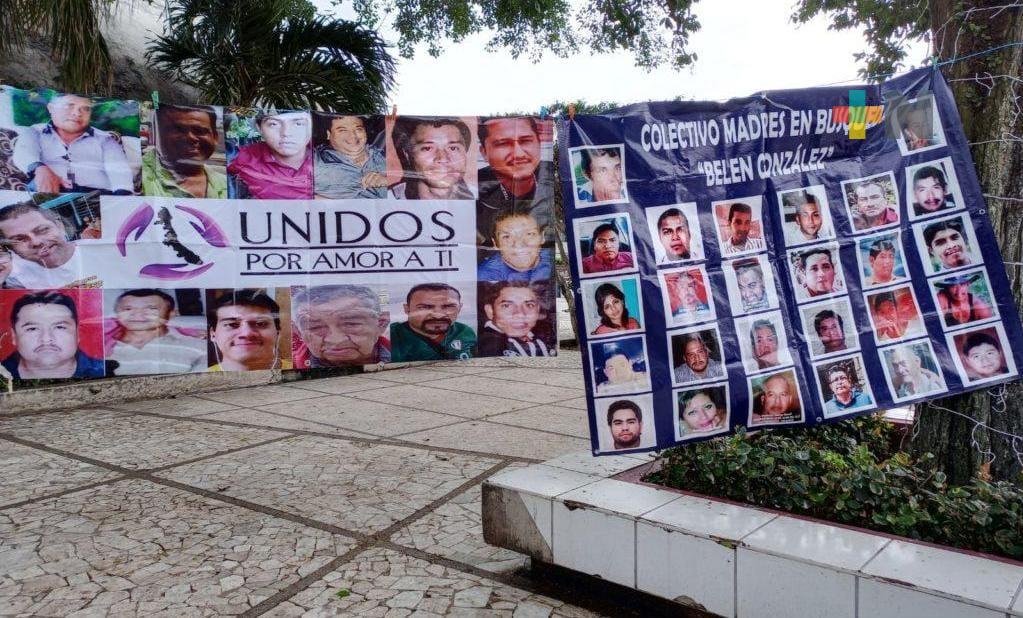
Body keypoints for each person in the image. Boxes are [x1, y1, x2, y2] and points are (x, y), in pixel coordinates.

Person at [12, 93, 134, 195]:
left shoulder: (105, 139)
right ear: (51, 108)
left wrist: (120, 199)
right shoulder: (35, 131)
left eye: (85, 109)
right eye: (69, 106)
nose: (77, 113)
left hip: (96, 197)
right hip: (52, 193)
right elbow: (24, 153)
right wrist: (39, 168)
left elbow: (119, 171)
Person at [476, 117, 554, 246]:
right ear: (484, 152)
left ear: (539, 144)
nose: (519, 154)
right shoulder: (469, 189)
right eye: (503, 143)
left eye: (526, 141)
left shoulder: (552, 177)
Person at [1, 291, 103, 379]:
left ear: (78, 333)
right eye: (32, 329)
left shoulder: (109, 371)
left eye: (59, 327)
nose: (46, 339)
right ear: (14, 336)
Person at [106, 289, 206, 375]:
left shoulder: (199, 345)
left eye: (151, 308)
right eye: (128, 309)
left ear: (171, 314)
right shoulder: (101, 346)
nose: (138, 315)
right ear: (117, 314)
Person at [141, 104, 227, 199]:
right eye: (178, 130)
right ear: (157, 134)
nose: (190, 137)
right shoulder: (135, 179)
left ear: (215, 137)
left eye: (199, 130)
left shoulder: (227, 185)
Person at [292, 285, 390, 367]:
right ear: (299, 332)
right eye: (315, 327)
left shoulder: (402, 353)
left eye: (351, 324)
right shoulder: (290, 366)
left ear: (381, 324)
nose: (335, 340)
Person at [228, 110, 313, 199]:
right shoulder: (244, 158)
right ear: (259, 128)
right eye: (273, 124)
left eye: (298, 124)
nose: (286, 133)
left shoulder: (324, 159)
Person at [0, 202, 85, 289]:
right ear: (12, 249)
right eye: (20, 239)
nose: (36, 242)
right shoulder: (15, 280)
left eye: (42, 230)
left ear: (60, 226)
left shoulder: (96, 251)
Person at [390, 116, 474, 200]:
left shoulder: (482, 199)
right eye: (427, 148)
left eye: (453, 148)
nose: (443, 159)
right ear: (407, 155)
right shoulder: (386, 202)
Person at [390, 283, 476, 361]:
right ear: (407, 309)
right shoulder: (392, 335)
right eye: (425, 307)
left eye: (448, 306)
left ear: (459, 308)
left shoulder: (464, 332)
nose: (438, 315)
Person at [208, 290, 288, 371]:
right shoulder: (200, 376)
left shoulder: (298, 369)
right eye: (232, 324)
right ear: (213, 334)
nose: (247, 333)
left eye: (260, 324)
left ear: (278, 332)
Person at [314, 115, 387, 199]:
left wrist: (387, 180)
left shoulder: (384, 155)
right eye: (342, 130)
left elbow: (403, 179)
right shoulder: (316, 161)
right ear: (328, 134)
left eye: (358, 129)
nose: (352, 136)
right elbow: (297, 192)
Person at [478, 282, 554, 357]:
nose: (520, 314)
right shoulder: (487, 344)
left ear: (538, 310)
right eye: (506, 305)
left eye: (529, 305)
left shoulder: (547, 337)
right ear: (490, 311)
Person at [477, 211, 552, 282]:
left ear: (542, 237)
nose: (519, 244)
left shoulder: (554, 259)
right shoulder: (486, 276)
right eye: (507, 237)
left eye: (529, 234)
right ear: (496, 244)